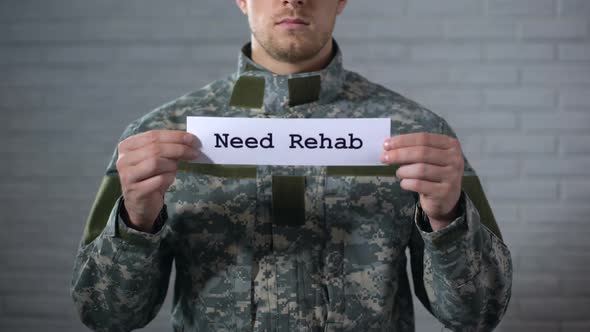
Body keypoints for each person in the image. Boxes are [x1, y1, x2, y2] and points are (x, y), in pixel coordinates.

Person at [71, 0, 512, 331]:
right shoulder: (156, 137)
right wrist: (136, 222)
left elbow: (476, 315)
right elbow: (106, 315)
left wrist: (447, 219)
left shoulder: (419, 135)